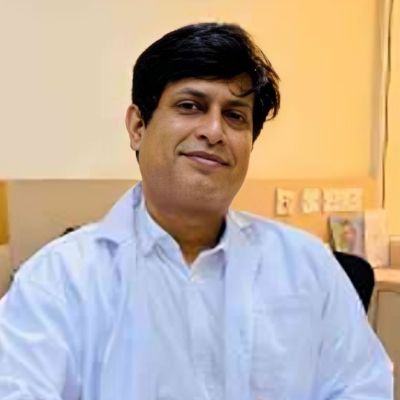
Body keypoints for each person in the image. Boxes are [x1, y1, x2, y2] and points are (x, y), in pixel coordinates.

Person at [0, 23, 392, 400]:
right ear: (138, 127)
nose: (214, 131)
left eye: (235, 116)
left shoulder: (309, 268)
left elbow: (363, 387)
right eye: (190, 106)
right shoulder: (58, 282)